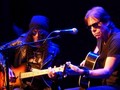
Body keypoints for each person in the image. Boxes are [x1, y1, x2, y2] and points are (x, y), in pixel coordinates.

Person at [0, 15, 64, 90]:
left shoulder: (54, 50)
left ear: (46, 34)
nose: (37, 36)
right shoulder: (21, 42)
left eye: (41, 34)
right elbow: (1, 50)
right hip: (21, 86)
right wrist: (6, 69)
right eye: (34, 33)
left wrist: (55, 77)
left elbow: (60, 76)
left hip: (43, 87)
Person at [64, 6, 120, 90]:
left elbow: (107, 72)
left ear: (107, 22)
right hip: (101, 83)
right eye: (90, 27)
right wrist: (86, 63)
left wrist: (83, 71)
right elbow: (94, 56)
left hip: (114, 86)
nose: (93, 30)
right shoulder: (101, 37)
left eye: (95, 25)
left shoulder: (117, 39)